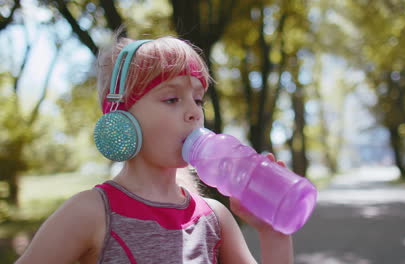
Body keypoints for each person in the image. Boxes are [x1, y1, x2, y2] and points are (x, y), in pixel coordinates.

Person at [15, 35, 293, 264]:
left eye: (198, 100)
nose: (194, 113)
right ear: (121, 116)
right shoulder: (92, 212)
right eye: (172, 99)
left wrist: (273, 232)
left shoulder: (214, 218)